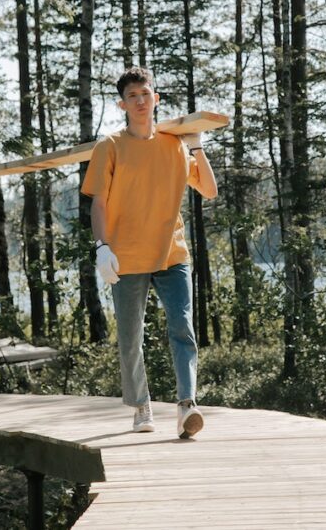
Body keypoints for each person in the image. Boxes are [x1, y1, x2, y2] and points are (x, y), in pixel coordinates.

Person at [81, 67, 218, 438]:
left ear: (156, 98)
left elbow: (209, 190)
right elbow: (98, 203)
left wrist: (197, 146)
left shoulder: (174, 144)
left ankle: (187, 405)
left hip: (172, 253)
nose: (140, 101)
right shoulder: (109, 146)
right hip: (125, 256)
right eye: (132, 96)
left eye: (145, 94)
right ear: (122, 104)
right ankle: (141, 405)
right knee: (130, 337)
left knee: (183, 327)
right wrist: (102, 246)